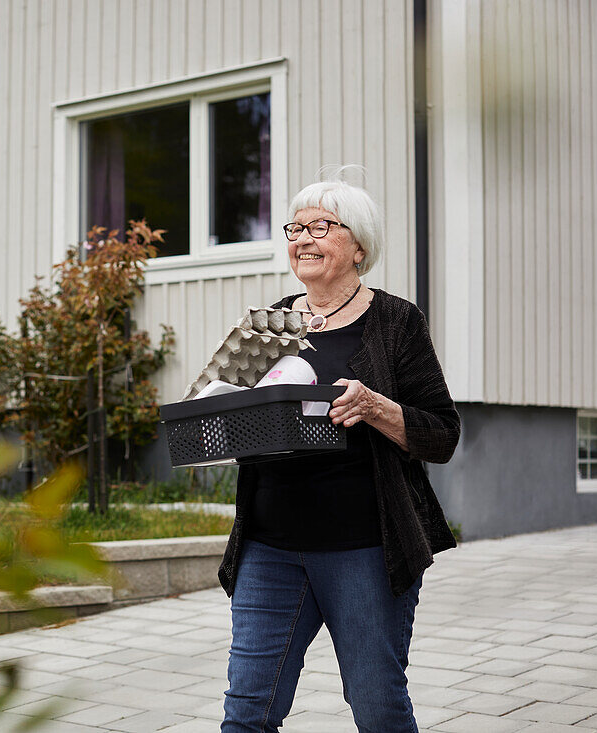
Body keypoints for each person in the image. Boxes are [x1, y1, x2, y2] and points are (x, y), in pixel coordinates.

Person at [219, 170, 460, 733]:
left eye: (320, 226)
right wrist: (230, 419)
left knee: (377, 707)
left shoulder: (396, 321)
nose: (303, 237)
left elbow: (442, 434)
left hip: (365, 549)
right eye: (294, 227)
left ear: (358, 245)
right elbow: (220, 418)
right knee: (247, 710)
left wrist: (377, 408)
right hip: (270, 546)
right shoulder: (266, 326)